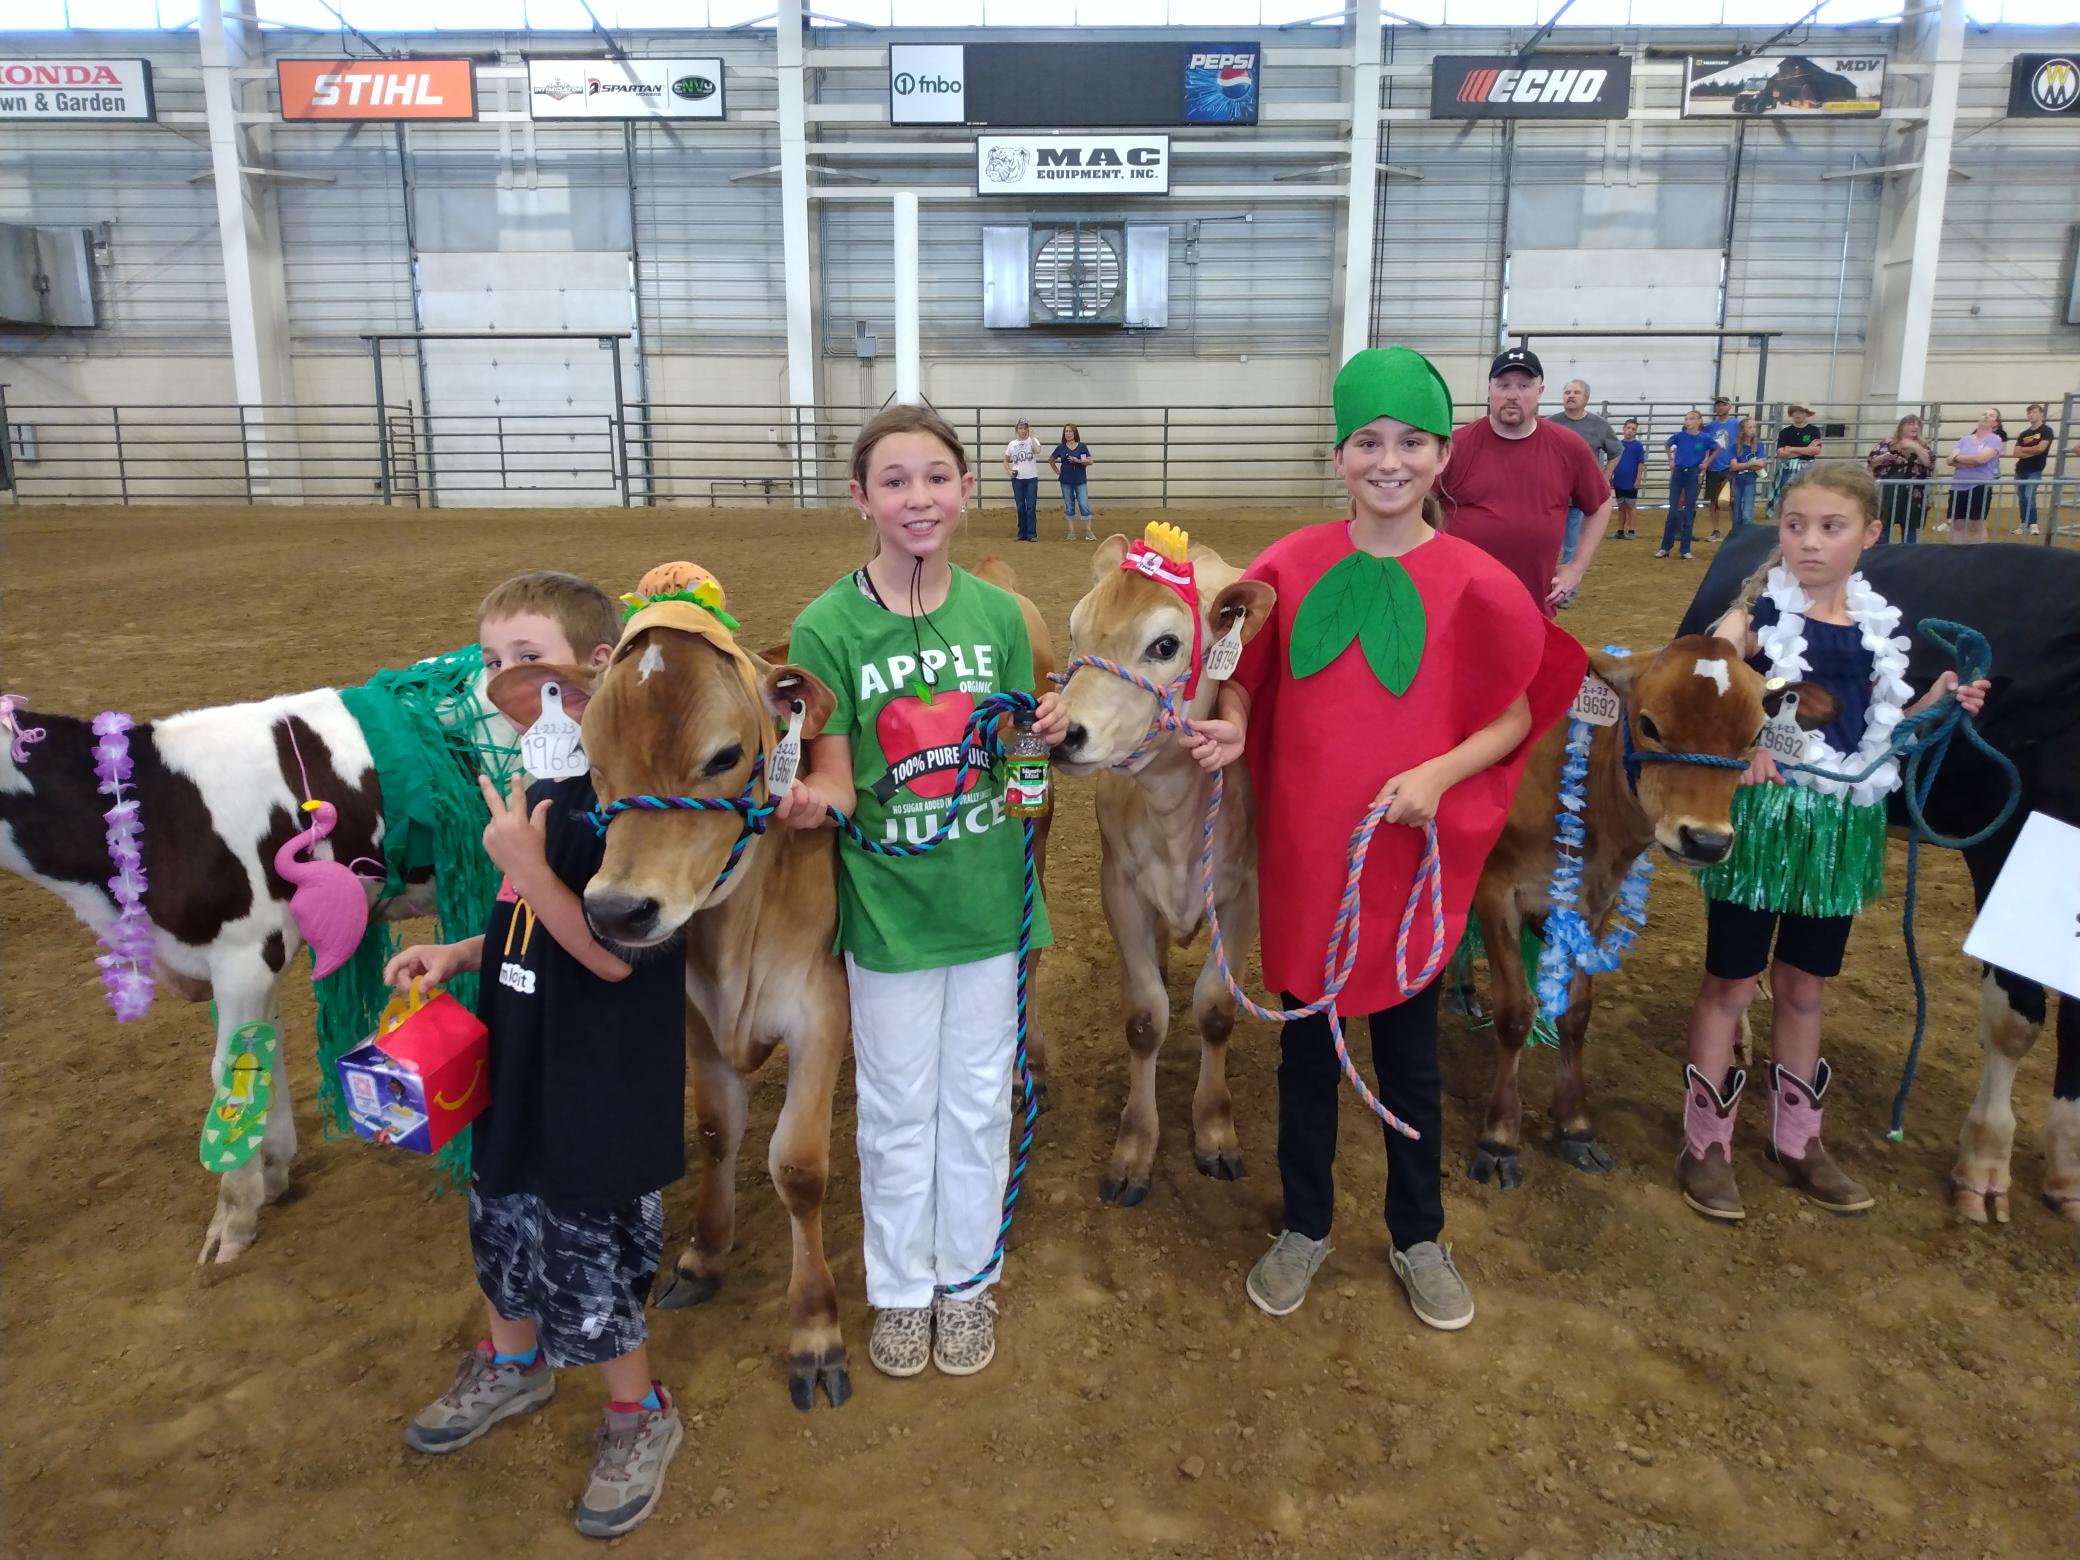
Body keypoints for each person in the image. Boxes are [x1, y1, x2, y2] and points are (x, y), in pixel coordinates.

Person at [1172, 346, 1582, 1332]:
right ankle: (1305, 1225)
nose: (1388, 461)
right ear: (1339, 456)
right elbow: (1244, 672)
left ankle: (1418, 1233)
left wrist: (1438, 775)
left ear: (1443, 457)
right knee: (1308, 1050)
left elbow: (1518, 712)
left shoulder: (1478, 583)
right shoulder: (1289, 565)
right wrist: (1231, 721)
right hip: (1313, 856)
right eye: (1367, 442)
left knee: (1411, 1055)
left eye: (1410, 442)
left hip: (1410, 857)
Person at [388, 570, 687, 1540]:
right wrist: (461, 948)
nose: (507, 680)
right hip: (520, 1068)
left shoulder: (634, 806)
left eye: (528, 658)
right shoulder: (535, 783)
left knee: (587, 1253)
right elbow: (521, 920)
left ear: (595, 668)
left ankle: (638, 1415)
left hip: (597, 1088)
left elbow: (610, 959)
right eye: (493, 662)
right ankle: (512, 1366)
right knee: (504, 1216)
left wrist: (522, 861)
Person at [778, 404, 1054, 1380]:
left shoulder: (999, 619)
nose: (917, 497)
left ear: (966, 488)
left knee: (978, 1102)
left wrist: (1039, 754)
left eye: (935, 476)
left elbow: (1022, 765)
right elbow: (840, 779)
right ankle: (899, 1291)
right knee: (896, 1106)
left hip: (986, 901)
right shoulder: (826, 624)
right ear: (861, 499)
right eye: (893, 480)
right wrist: (807, 801)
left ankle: (966, 1281)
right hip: (889, 912)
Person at [1678, 464, 1989, 1224]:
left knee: (1805, 985)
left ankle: (1797, 1137)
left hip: (1843, 829)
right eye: (1793, 525)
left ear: (1870, 535)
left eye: (1830, 527)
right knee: (1730, 981)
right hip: (1767, 819)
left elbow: (1882, 729)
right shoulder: (1749, 621)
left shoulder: (1882, 629)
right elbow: (1707, 682)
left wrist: (1939, 702)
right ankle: (1705, 1144)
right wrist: (1745, 738)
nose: (1808, 542)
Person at [1435, 347, 1613, 616]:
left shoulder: (1567, 446)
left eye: (1523, 385)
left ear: (1540, 391)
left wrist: (1575, 567)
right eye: (1503, 385)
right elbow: (1417, 502)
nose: (1512, 395)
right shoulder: (1456, 446)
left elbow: (1600, 503)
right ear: (1489, 389)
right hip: (1460, 608)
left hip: (1532, 608)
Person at [1551, 378, 1623, 569]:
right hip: (1552, 497)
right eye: (1567, 393)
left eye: (1576, 393)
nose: (1571, 396)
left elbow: (1616, 452)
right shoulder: (1551, 424)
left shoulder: (1599, 425)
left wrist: (1603, 479)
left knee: (1572, 548)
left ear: (1587, 398)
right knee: (1547, 544)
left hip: (1579, 499)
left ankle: (1565, 592)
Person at [1866, 415, 1933, 545]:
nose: (1915, 427)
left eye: (1917, 424)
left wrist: (1915, 446)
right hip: (1887, 491)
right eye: (1910, 424)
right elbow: (1871, 464)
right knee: (1884, 526)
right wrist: (1882, 458)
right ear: (1902, 427)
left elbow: (1928, 463)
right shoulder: (1886, 443)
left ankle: (1908, 558)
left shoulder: (1924, 445)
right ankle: (1882, 555)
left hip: (1913, 493)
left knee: (1910, 528)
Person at [1944, 408, 2005, 544]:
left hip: (1979, 486)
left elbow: (1980, 459)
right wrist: (1967, 461)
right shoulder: (1964, 439)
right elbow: (1949, 460)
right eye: (1984, 414)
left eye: (1991, 416)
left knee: (1978, 524)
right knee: (1957, 524)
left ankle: (1980, 558)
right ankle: (1957, 557)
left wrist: (1958, 458)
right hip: (1958, 486)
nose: (1986, 417)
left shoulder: (1995, 439)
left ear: (1996, 423)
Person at [1660, 409, 1715, 560]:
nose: (1688, 421)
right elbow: (1667, 443)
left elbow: (1717, 448)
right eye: (1686, 419)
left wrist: (1707, 462)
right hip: (1678, 473)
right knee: (1673, 510)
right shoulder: (1679, 436)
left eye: (1691, 419)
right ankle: (1665, 547)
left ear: (1699, 421)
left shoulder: (1705, 438)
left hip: (1692, 473)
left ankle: (1685, 549)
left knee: (1689, 511)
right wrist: (1670, 460)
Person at [1771, 402, 1824, 513]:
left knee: (1808, 493)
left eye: (1801, 411)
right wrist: (1806, 450)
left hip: (1807, 467)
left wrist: (1791, 449)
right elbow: (1781, 453)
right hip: (1787, 467)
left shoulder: (1814, 430)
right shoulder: (1785, 432)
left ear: (1806, 414)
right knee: (1786, 494)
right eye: (1795, 411)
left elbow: (1816, 450)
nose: (1798, 414)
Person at [1702, 395, 1741, 541]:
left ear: (1729, 407)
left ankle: (1734, 529)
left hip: (1730, 466)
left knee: (1732, 499)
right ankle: (1716, 530)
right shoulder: (1710, 427)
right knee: (1714, 500)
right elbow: (1703, 444)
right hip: (1714, 467)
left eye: (1723, 405)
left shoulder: (1737, 425)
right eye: (1718, 405)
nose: (1720, 407)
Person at [1049, 423, 1096, 541]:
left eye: (1070, 431)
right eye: (1066, 431)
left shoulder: (1082, 447)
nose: (1068, 433)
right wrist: (1057, 472)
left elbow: (1090, 461)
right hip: (1066, 481)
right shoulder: (1061, 447)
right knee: (1069, 506)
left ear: (1075, 433)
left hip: (1080, 480)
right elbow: (1051, 459)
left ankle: (1089, 531)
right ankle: (1071, 532)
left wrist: (1078, 460)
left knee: (1084, 505)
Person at [2013, 403, 2053, 537]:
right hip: (2020, 469)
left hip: (2035, 469)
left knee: (2030, 496)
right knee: (2022, 498)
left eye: (2035, 412)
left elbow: (2041, 449)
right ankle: (2024, 523)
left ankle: (2033, 524)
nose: (2031, 415)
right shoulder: (2024, 433)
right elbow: (2015, 452)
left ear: (2041, 414)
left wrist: (2024, 450)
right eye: (2029, 413)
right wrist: (2032, 451)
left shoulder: (2046, 431)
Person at [1003, 419, 1040, 543]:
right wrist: (1009, 471)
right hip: (1018, 479)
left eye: (1025, 428)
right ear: (1017, 430)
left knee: (1031, 506)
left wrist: (1033, 436)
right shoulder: (1012, 444)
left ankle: (1031, 533)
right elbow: (1006, 459)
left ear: (1028, 429)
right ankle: (1022, 532)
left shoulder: (1033, 441)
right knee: (1020, 506)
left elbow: (1038, 450)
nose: (1023, 430)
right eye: (1020, 428)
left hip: (1031, 479)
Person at [1609, 418, 1647, 540]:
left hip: (1631, 481)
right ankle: (1620, 530)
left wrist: (1638, 480)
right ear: (1623, 429)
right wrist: (1611, 476)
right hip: (1619, 480)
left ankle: (1631, 530)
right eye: (1628, 428)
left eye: (1633, 429)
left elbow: (1640, 464)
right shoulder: (1618, 445)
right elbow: (1613, 461)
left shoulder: (1638, 446)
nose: (1630, 431)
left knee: (1631, 506)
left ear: (1636, 432)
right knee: (1621, 506)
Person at [1729, 416, 1768, 531]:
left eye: (1754, 427)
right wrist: (1752, 464)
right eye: (1749, 427)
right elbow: (1733, 466)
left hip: (1749, 479)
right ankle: (1737, 539)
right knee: (1736, 514)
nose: (1753, 430)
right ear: (1743, 430)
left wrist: (1743, 465)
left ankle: (1746, 538)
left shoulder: (1759, 445)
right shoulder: (1734, 446)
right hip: (1736, 480)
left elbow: (1761, 464)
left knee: (1747, 514)